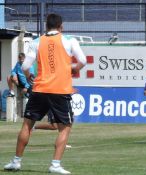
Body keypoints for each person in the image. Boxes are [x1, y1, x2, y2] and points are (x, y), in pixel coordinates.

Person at [4, 13, 86, 174]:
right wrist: (74, 69)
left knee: (27, 125)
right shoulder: (69, 40)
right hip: (60, 90)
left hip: (39, 89)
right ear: (61, 27)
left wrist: (29, 78)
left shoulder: (37, 42)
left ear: (46, 26)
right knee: (65, 127)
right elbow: (82, 60)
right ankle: (55, 164)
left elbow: (26, 66)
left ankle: (16, 161)